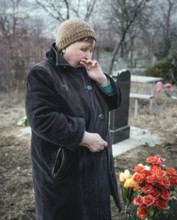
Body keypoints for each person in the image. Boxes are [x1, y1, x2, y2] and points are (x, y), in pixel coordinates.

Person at [25, 17, 122, 220]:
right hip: (65, 171)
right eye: (83, 49)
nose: (89, 56)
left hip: (95, 168)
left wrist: (102, 79)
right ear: (65, 46)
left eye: (91, 50)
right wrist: (83, 137)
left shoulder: (87, 71)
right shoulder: (42, 74)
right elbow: (42, 119)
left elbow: (113, 103)